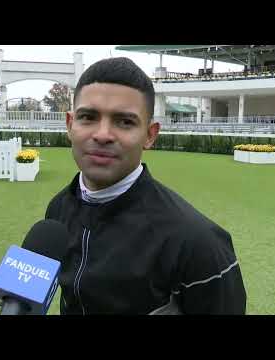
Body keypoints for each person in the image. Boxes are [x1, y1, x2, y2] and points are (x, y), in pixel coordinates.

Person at [45, 57, 246, 315]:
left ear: (150, 135)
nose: (103, 134)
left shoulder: (198, 242)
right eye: (88, 117)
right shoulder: (57, 212)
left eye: (125, 121)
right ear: (70, 124)